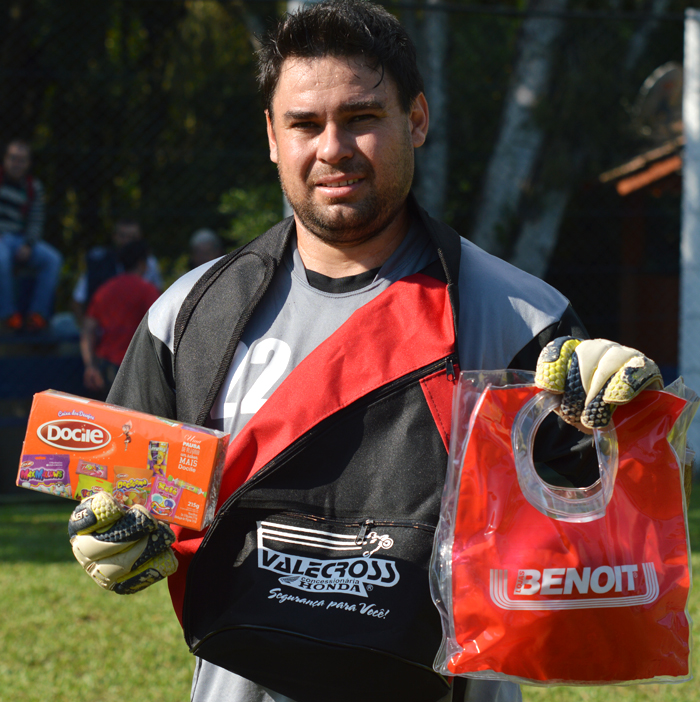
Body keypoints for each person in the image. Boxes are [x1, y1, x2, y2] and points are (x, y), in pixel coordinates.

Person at [67, 3, 663, 702]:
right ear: (270, 136)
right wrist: (112, 537)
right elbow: (122, 498)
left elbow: (596, 545)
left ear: (416, 120)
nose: (332, 147)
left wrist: (625, 433)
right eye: (304, 123)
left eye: (361, 118)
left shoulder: (524, 318)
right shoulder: (188, 313)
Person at [80, 240, 161, 399]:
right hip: (136, 367)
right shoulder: (147, 290)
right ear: (142, 263)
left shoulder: (105, 290)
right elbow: (160, 327)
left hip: (106, 365)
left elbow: (88, 329)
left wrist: (90, 366)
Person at [0, 139, 63, 332]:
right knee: (1, 259)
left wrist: (28, 244)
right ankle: (8, 316)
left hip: (20, 239)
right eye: (13, 158)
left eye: (22, 160)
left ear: (28, 163)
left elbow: (36, 221)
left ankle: (38, 316)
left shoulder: (33, 187)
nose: (16, 163)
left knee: (53, 259)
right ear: (4, 159)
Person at [72, 218, 162, 321]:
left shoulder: (150, 263)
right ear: (114, 237)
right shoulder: (98, 264)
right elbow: (78, 300)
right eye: (123, 236)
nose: (127, 242)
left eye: (132, 238)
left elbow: (158, 299)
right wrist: (87, 329)